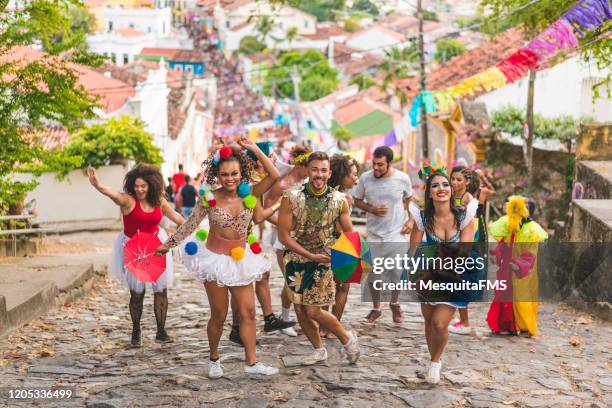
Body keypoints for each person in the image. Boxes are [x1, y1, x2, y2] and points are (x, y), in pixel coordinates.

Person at [156, 138, 281, 378]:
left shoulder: (251, 193)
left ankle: (252, 363)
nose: (230, 178)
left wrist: (254, 150)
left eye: (234, 173)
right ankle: (214, 358)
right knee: (219, 315)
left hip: (241, 259)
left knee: (249, 313)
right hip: (214, 261)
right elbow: (190, 225)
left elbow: (275, 175)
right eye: (224, 175)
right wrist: (167, 245)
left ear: (241, 172)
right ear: (217, 175)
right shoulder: (209, 198)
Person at [277, 151, 361, 366]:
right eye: (315, 169)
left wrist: (349, 265)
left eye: (323, 170)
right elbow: (283, 236)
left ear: (329, 173)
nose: (319, 174)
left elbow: (349, 233)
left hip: (323, 261)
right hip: (296, 260)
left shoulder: (338, 200)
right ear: (308, 170)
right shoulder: (291, 197)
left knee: (313, 310)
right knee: (300, 311)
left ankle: (347, 338)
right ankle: (319, 349)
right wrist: (307, 254)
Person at [88, 164, 185, 347]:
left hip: (157, 246)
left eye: (144, 186)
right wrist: (98, 185)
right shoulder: (128, 201)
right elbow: (112, 194)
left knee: (161, 291)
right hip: (134, 248)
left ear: (151, 185)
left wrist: (194, 226)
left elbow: (177, 218)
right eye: (137, 186)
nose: (139, 189)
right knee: (137, 293)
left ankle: (161, 331)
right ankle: (136, 331)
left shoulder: (159, 200)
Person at [407, 165, 478, 384]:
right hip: (428, 276)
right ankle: (431, 361)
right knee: (429, 321)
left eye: (445, 184)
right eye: (435, 185)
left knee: (439, 323)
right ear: (429, 192)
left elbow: (464, 251)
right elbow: (413, 251)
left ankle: (436, 363)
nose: (441, 188)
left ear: (451, 189)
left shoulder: (465, 216)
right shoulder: (422, 219)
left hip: (455, 276)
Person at [227, 142, 296, 346]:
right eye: (270, 156)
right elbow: (259, 217)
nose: (273, 158)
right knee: (242, 284)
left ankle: (261, 320)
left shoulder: (252, 179)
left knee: (258, 277)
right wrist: (277, 205)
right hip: (236, 241)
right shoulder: (246, 183)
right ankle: (244, 326)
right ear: (258, 161)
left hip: (246, 238)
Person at [352, 146, 413, 324]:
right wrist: (370, 208)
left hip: (396, 232)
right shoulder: (365, 178)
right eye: (374, 164)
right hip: (374, 233)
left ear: (389, 163)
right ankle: (376, 308)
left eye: (380, 164)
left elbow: (409, 200)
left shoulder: (402, 179)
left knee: (396, 271)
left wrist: (410, 221)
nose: (376, 168)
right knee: (374, 274)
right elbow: (357, 200)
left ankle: (394, 303)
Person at [260, 144, 312, 337]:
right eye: (309, 168)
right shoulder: (283, 184)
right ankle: (285, 318)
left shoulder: (308, 183)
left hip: (302, 237)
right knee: (291, 278)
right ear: (300, 165)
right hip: (283, 237)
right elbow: (266, 210)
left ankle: (292, 315)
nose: (311, 172)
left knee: (300, 277)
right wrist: (286, 226)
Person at [486, 196, 547, 337]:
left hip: (522, 273)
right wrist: (497, 254)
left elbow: (531, 253)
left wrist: (520, 264)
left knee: (522, 297)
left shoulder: (531, 230)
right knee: (503, 294)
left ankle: (525, 326)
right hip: (506, 268)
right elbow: (503, 243)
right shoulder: (508, 226)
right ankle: (505, 324)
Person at [448, 166, 496, 334]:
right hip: (452, 240)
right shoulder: (452, 195)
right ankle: (454, 315)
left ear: (467, 182)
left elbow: (470, 222)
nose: (454, 182)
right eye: (452, 179)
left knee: (460, 281)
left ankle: (465, 322)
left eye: (459, 180)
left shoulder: (468, 198)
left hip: (465, 243)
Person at [319, 154, 359, 338]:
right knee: (342, 288)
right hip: (341, 245)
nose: (356, 178)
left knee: (325, 289)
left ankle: (322, 327)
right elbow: (343, 228)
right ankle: (332, 328)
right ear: (343, 176)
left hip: (321, 246)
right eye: (353, 174)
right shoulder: (345, 198)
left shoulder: (322, 193)